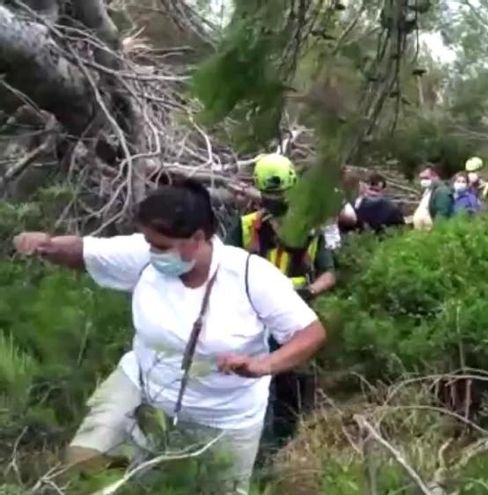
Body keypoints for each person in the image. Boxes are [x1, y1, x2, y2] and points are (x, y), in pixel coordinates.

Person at [12, 180, 326, 494]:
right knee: (88, 460)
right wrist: (47, 245)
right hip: (142, 389)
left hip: (224, 416)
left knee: (217, 488)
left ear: (197, 238)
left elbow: (309, 333)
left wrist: (264, 365)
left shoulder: (250, 276)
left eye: (161, 246)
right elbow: (84, 251)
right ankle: (132, 478)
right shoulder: (144, 256)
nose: (152, 251)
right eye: (149, 243)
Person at [225, 153, 336, 449]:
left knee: (290, 382)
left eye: (280, 193)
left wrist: (309, 292)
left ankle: (284, 444)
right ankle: (251, 443)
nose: (275, 199)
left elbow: (329, 273)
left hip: (293, 319)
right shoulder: (247, 226)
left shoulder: (310, 230)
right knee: (253, 380)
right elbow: (224, 265)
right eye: (269, 193)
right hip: (251, 317)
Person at [412, 165, 453, 230]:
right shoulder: (429, 189)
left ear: (435, 177)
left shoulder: (442, 191)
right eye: (421, 178)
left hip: (431, 230)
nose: (423, 181)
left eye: (426, 178)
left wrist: (436, 230)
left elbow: (442, 213)